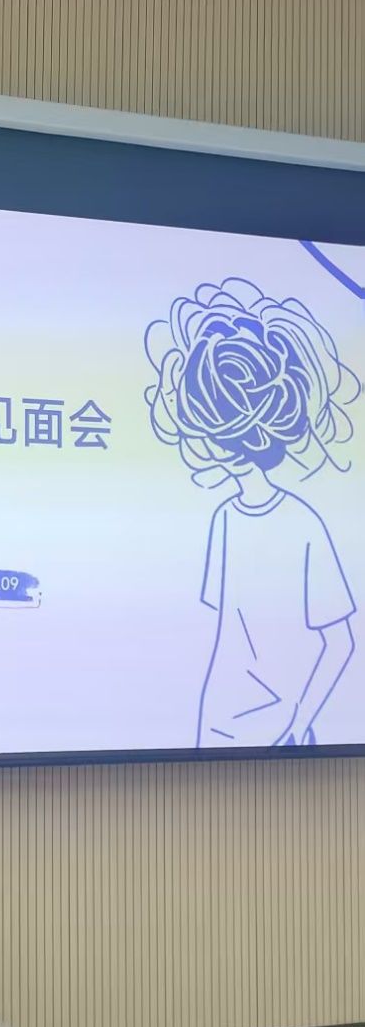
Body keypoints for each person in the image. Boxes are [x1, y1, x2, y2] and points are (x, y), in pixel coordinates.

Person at [145, 279, 358, 748]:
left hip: (278, 728)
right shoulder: (224, 518)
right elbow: (217, 632)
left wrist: (299, 722)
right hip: (216, 719)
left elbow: (341, 642)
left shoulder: (304, 523)